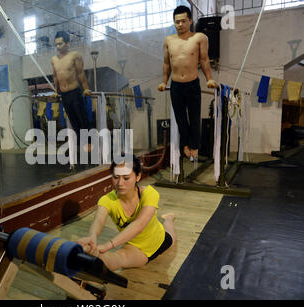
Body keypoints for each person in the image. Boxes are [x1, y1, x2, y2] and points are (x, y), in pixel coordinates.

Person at [77, 156, 176, 271]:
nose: (120, 183)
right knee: (118, 258)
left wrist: (108, 245)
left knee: (169, 229)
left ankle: (168, 218)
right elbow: (98, 220)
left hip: (161, 240)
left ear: (138, 177)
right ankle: (90, 257)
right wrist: (92, 237)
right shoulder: (107, 200)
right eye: (116, 177)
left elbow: (139, 225)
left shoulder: (149, 193)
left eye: (126, 178)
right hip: (137, 250)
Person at [158, 5, 219, 159]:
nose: (180, 25)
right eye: (177, 22)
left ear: (190, 21)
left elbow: (204, 60)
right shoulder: (168, 40)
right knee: (180, 119)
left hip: (192, 83)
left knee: (194, 116)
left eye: (183, 21)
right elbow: (166, 63)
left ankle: (194, 145)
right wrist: (164, 82)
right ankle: (185, 144)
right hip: (176, 85)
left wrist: (209, 78)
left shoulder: (199, 38)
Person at [51, 31, 92, 152]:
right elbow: (55, 76)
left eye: (60, 44)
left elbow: (81, 73)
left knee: (82, 119)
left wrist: (85, 89)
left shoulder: (75, 55)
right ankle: (81, 144)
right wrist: (56, 91)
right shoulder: (53, 59)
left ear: (68, 43)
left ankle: (89, 143)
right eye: (56, 44)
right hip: (64, 94)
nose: (58, 47)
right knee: (73, 120)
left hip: (74, 91)